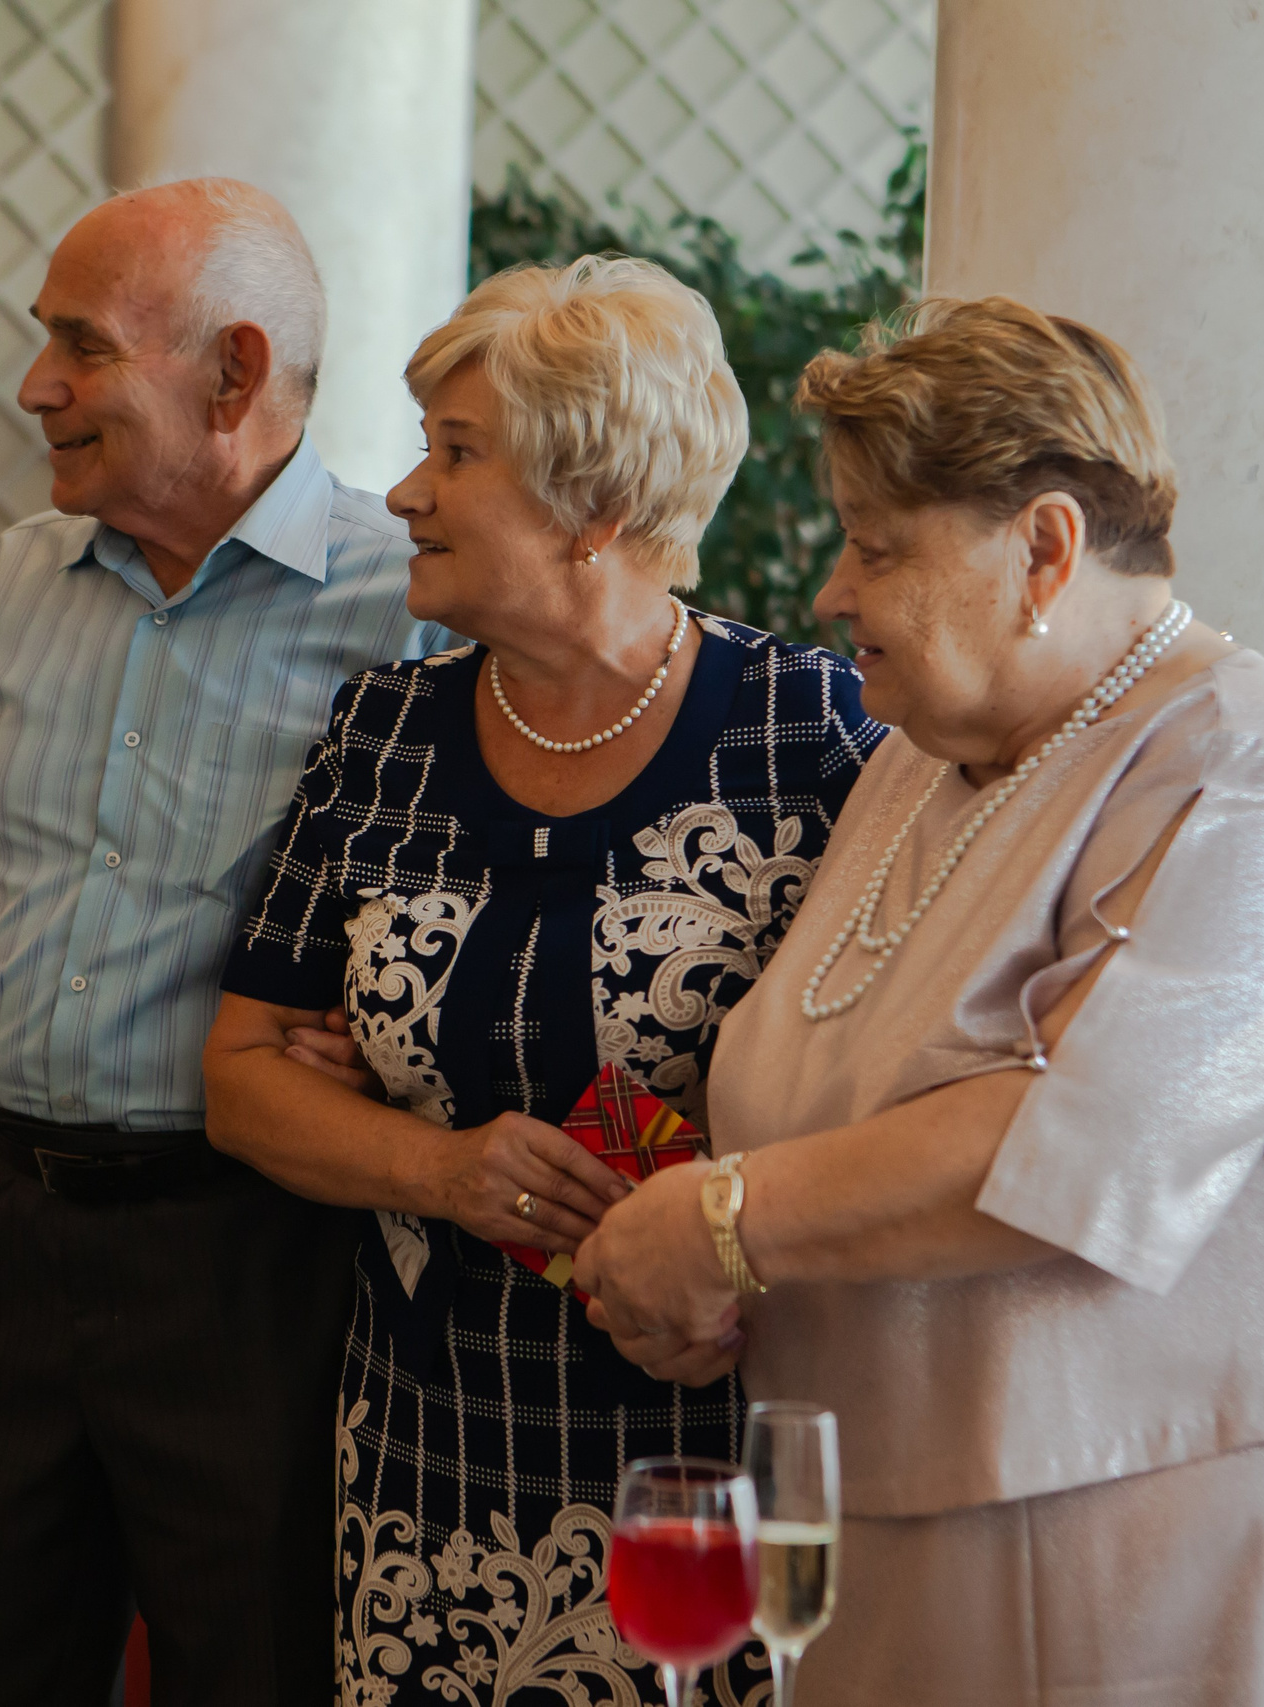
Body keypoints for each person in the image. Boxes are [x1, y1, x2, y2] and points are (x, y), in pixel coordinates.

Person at [573, 296, 1264, 1705]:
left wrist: (724, 1222)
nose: (831, 590)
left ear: (1046, 548)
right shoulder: (920, 756)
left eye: (878, 547)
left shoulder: (1256, 770)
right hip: (918, 1512)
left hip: (1206, 1538)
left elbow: (1082, 1146)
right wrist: (718, 1265)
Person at [202, 255, 884, 1705]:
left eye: (456, 455)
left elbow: (888, 1077)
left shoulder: (802, 731)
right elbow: (245, 1080)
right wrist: (435, 1164)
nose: (403, 494)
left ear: (598, 509)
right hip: (427, 1439)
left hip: (707, 1439)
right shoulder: (382, 729)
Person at [0, 178, 440, 1707]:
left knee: (260, 1672)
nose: (36, 385)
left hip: (254, 1257)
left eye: (79, 346)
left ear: (233, 373)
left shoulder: (411, 610)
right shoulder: (7, 579)